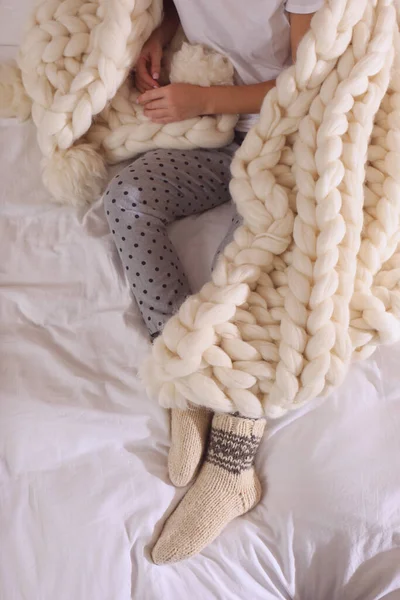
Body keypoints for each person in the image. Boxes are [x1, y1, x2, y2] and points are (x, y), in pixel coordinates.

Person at [103, 0, 324, 565]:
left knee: (247, 264)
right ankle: (183, 378)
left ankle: (233, 460)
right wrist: (160, 34)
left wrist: (203, 100)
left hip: (282, 136)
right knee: (127, 199)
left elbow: (310, 80)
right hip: (207, 133)